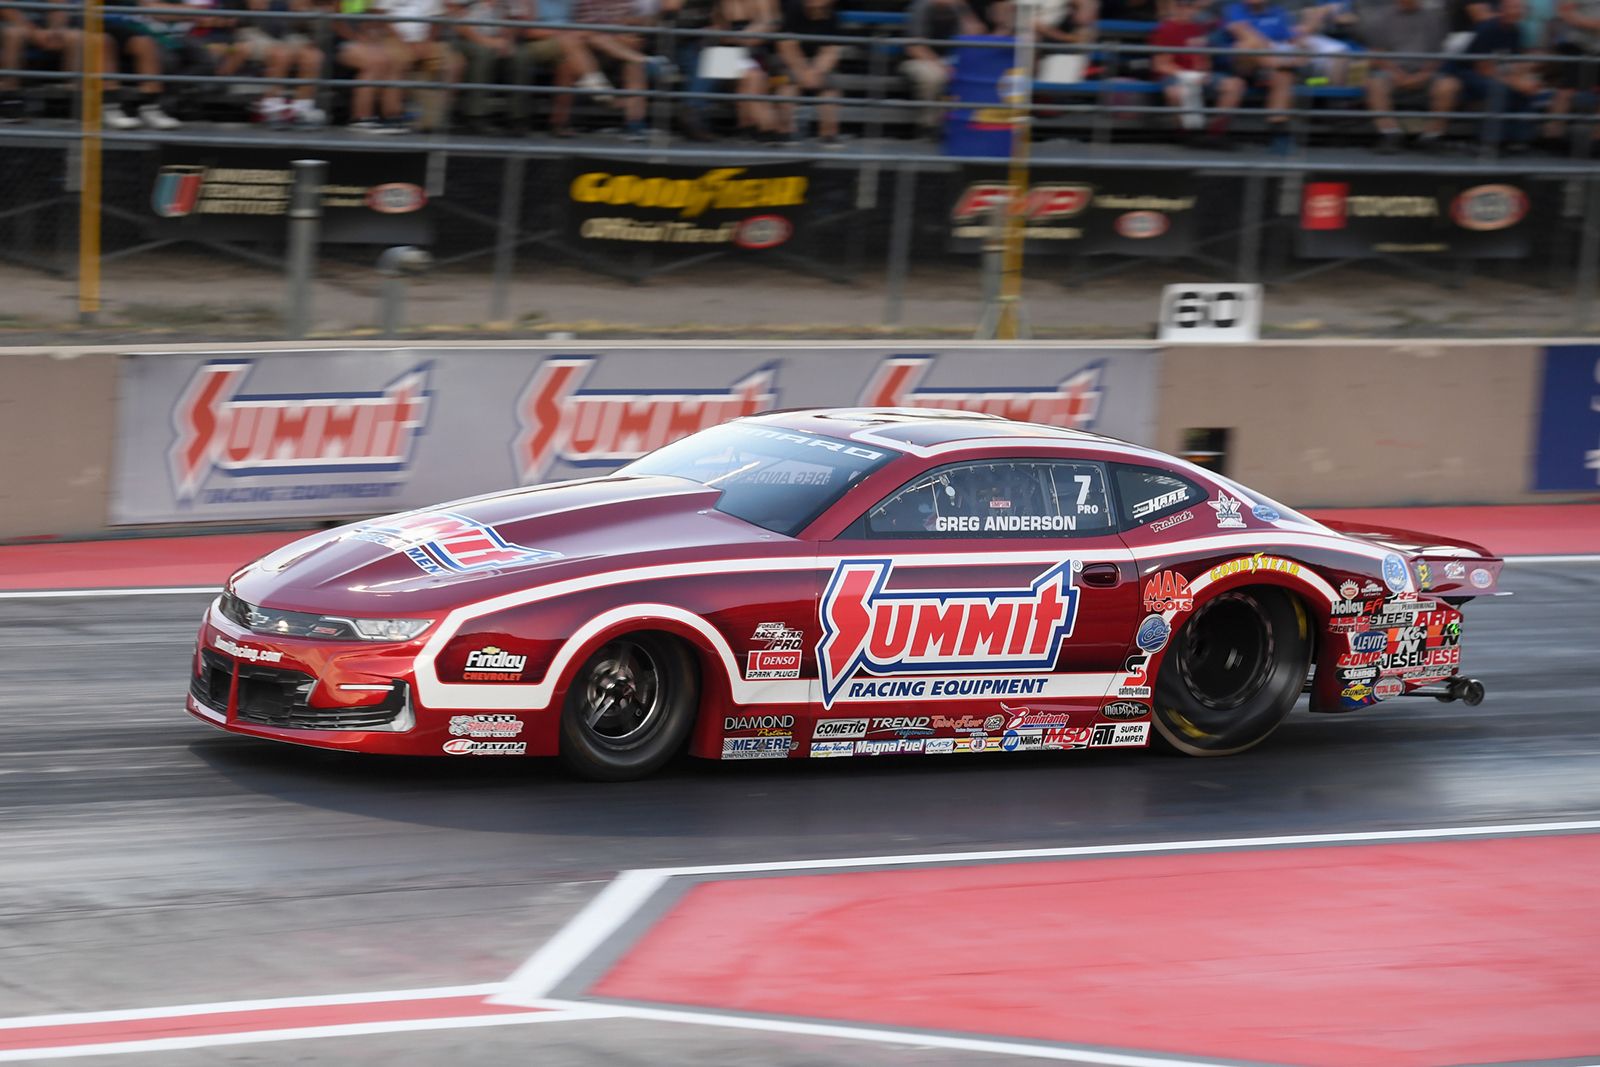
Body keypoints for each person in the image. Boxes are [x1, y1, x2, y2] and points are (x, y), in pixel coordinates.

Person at [1444, 0, 1543, 148]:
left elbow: (1510, 62)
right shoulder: (1488, 28)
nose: (1516, 12)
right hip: (1466, 72)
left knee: (1527, 91)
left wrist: (1524, 78)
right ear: (1503, 9)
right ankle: (1490, 141)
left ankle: (1519, 139)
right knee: (1498, 89)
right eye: (1513, 7)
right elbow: (1481, 67)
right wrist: (1514, 82)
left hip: (1495, 71)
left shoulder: (1515, 31)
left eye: (1519, 8)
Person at [213, 0, 326, 125]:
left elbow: (305, 21)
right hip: (256, 30)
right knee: (281, 54)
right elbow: (247, 17)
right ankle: (272, 108)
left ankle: (302, 109)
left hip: (289, 32)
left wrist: (301, 10)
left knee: (313, 56)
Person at [1150, 0, 1247, 147]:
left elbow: (1205, 59)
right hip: (1174, 76)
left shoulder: (1198, 30)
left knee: (1235, 85)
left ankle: (1215, 132)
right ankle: (1186, 133)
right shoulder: (1165, 29)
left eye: (1189, 5)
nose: (1185, 9)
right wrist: (1188, 75)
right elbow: (1161, 64)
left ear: (1195, 8)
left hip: (1198, 76)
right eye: (1181, 4)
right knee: (1176, 91)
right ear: (1174, 7)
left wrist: (1203, 72)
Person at [1362, 0, 1453, 151]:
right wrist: (1397, 74)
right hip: (1392, 73)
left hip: (1425, 74)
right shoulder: (1381, 18)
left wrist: (1423, 75)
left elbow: (1439, 54)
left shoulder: (1435, 18)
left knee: (1449, 86)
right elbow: (1376, 54)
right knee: (1374, 83)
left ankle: (1432, 136)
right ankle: (1389, 134)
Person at [1221, 0, 1300, 149]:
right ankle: (1271, 66)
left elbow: (1290, 41)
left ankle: (1278, 128)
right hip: (1242, 67)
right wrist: (1272, 52)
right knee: (1246, 45)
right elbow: (1242, 31)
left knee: (1284, 76)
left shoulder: (1278, 12)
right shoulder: (1233, 9)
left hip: (1270, 65)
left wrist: (1292, 52)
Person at [573, 0, 652, 137]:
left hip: (616, 47)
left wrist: (629, 29)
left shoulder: (626, 3)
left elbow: (632, 24)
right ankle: (644, 61)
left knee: (633, 63)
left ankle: (635, 124)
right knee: (594, 37)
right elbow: (582, 30)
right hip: (590, 48)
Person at [901, 0, 982, 134]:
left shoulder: (957, 9)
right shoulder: (921, 7)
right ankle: (929, 125)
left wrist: (965, 11)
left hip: (951, 60)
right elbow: (915, 47)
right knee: (934, 76)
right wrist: (942, 65)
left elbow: (977, 34)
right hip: (920, 60)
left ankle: (963, 123)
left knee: (974, 74)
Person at [776, 0, 843, 146]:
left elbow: (831, 50)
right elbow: (786, 45)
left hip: (818, 65)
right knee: (786, 89)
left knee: (830, 92)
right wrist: (803, 71)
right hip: (794, 62)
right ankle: (785, 131)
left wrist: (816, 71)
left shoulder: (832, 16)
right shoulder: (793, 9)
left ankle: (829, 134)